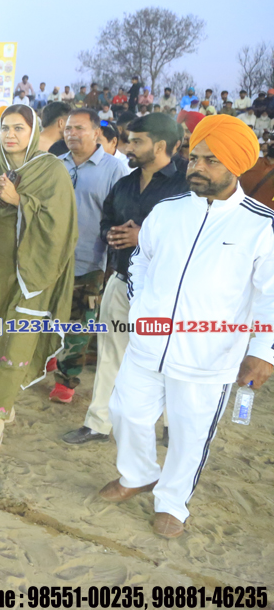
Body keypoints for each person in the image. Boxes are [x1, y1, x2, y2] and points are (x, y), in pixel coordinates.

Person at [100, 114, 274, 538]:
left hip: (209, 355)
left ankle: (172, 503)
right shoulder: (167, 211)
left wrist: (262, 352)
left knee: (189, 433)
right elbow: (142, 261)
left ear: (236, 165)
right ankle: (138, 474)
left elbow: (270, 294)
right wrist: (142, 311)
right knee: (125, 412)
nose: (197, 167)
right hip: (149, 343)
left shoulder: (260, 225)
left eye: (211, 161)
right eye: (194, 158)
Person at [62, 113, 186, 445]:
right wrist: (112, 234)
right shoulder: (126, 183)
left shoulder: (186, 186)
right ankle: (98, 424)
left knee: (168, 357)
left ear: (159, 146)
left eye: (137, 141)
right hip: (121, 280)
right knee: (110, 353)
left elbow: (195, 236)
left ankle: (173, 427)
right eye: (129, 140)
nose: (128, 147)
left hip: (168, 289)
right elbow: (108, 219)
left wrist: (143, 236)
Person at [0, 104, 77, 454]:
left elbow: (61, 224)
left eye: (18, 128)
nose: (10, 135)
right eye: (4, 128)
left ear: (33, 132)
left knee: (17, 339)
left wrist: (19, 201)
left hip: (34, 270)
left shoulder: (51, 170)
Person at [52, 109, 127, 402]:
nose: (72, 133)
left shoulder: (115, 170)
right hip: (51, 260)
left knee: (79, 323)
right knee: (49, 317)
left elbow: (119, 217)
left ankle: (66, 380)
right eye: (68, 128)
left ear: (96, 133)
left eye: (79, 128)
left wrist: (111, 262)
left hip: (90, 260)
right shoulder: (56, 165)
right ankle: (49, 359)